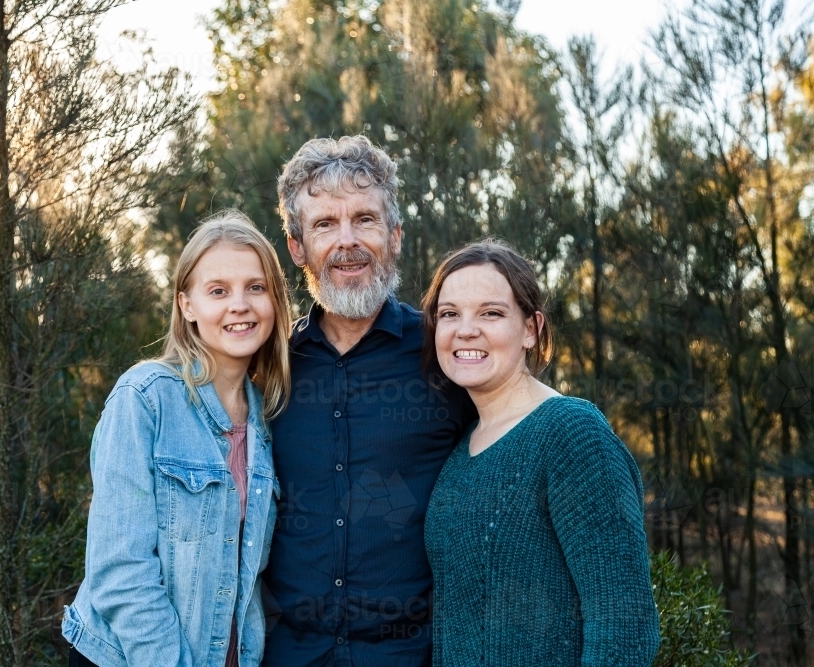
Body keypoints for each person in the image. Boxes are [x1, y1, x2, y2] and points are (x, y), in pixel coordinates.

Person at [262, 136, 475, 667]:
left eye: (365, 219)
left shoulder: (444, 355)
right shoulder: (269, 366)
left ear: (395, 235)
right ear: (296, 248)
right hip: (289, 656)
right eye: (324, 225)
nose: (347, 241)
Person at [62, 211, 292, 667]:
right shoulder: (145, 399)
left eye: (256, 287)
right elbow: (119, 571)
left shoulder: (270, 419)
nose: (240, 305)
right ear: (187, 306)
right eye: (218, 291)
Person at [421, 240, 661, 666]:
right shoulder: (460, 452)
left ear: (531, 329)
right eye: (449, 314)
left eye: (491, 313)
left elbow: (624, 625)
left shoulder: (571, 433)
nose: (466, 329)